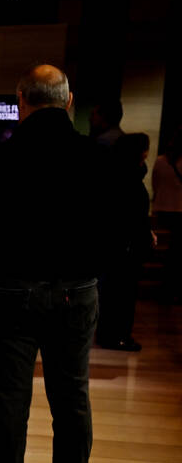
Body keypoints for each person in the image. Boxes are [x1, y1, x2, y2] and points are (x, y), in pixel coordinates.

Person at [0, 64, 106, 463]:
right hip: (76, 288)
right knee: (72, 399)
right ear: (69, 101)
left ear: (21, 101)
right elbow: (121, 219)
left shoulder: (1, 153)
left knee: (10, 401)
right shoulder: (95, 154)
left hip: (13, 287)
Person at [97, 132, 152, 351]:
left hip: (119, 243)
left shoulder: (116, 175)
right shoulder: (130, 179)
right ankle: (117, 335)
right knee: (122, 293)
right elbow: (133, 215)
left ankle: (111, 333)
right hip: (125, 245)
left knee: (115, 292)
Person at [151, 127, 182, 303]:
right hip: (179, 209)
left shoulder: (161, 161)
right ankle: (171, 287)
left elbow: (155, 183)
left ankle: (166, 287)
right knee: (176, 251)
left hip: (162, 207)